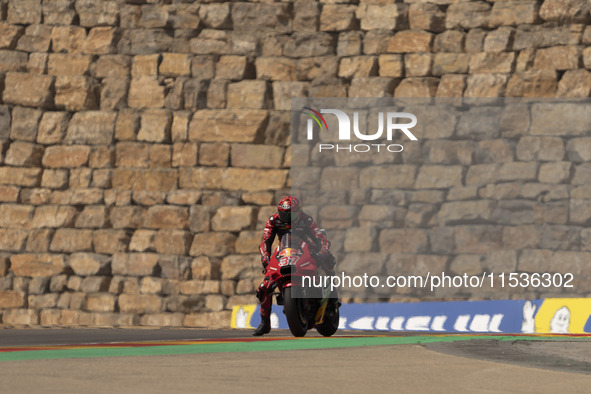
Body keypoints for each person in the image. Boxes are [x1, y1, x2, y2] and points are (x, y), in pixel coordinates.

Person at [252, 195, 335, 336]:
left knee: (327, 259)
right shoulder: (273, 220)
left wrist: (322, 251)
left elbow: (320, 238)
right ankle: (265, 322)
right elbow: (265, 241)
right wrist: (265, 256)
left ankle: (330, 293)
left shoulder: (306, 219)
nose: (288, 217)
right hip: (284, 252)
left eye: (292, 214)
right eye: (284, 214)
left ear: (299, 212)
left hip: (306, 248)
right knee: (263, 288)